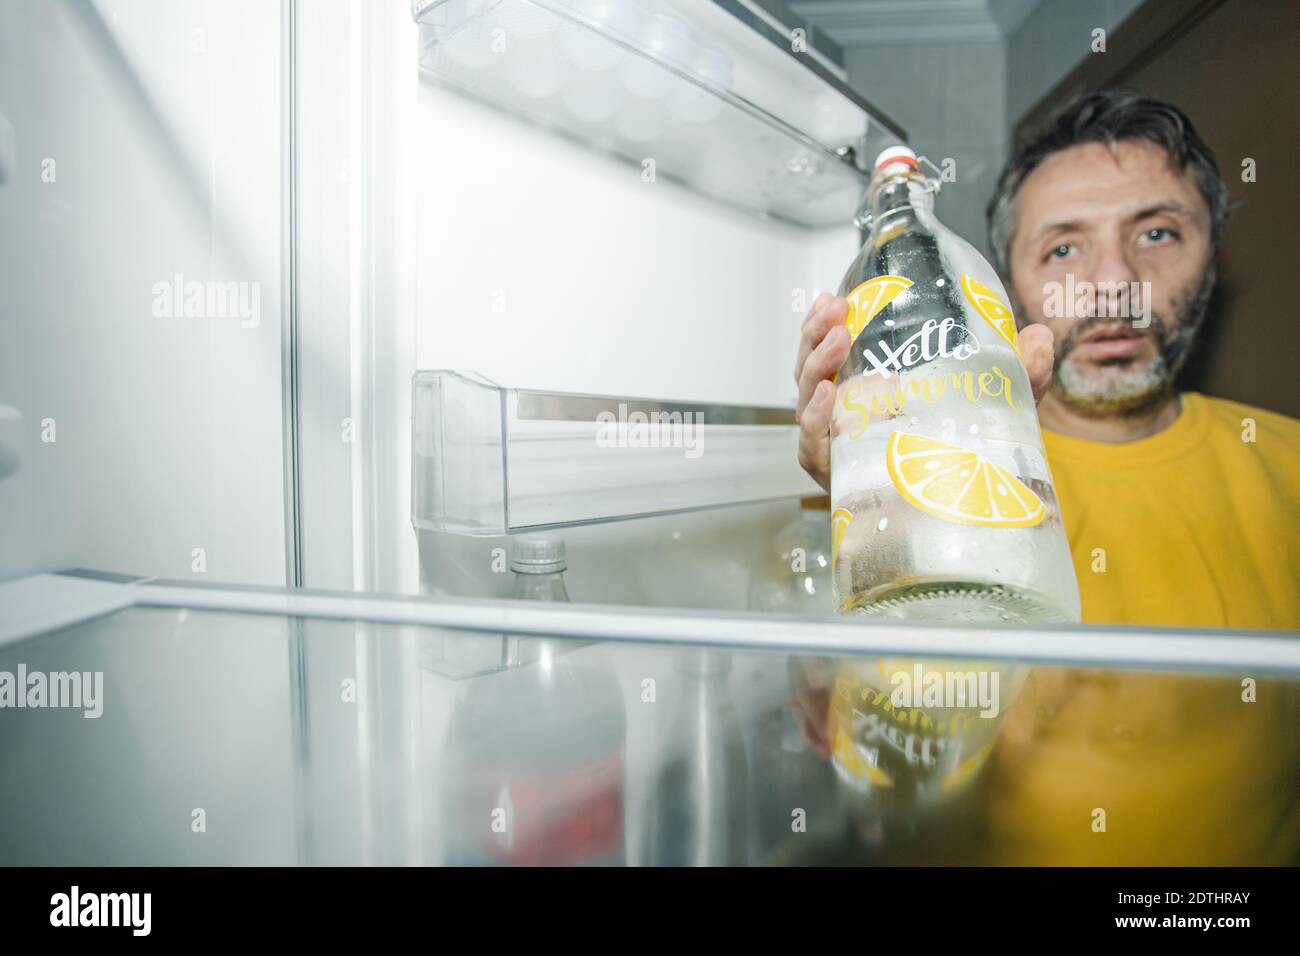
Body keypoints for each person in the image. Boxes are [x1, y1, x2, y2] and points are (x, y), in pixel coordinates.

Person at [791, 90, 1300, 864]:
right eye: (1063, 249)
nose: (1111, 284)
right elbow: (882, 775)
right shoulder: (924, 475)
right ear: (1000, 291)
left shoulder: (1288, 463)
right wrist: (877, 525)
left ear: (1213, 255)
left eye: (1158, 232)